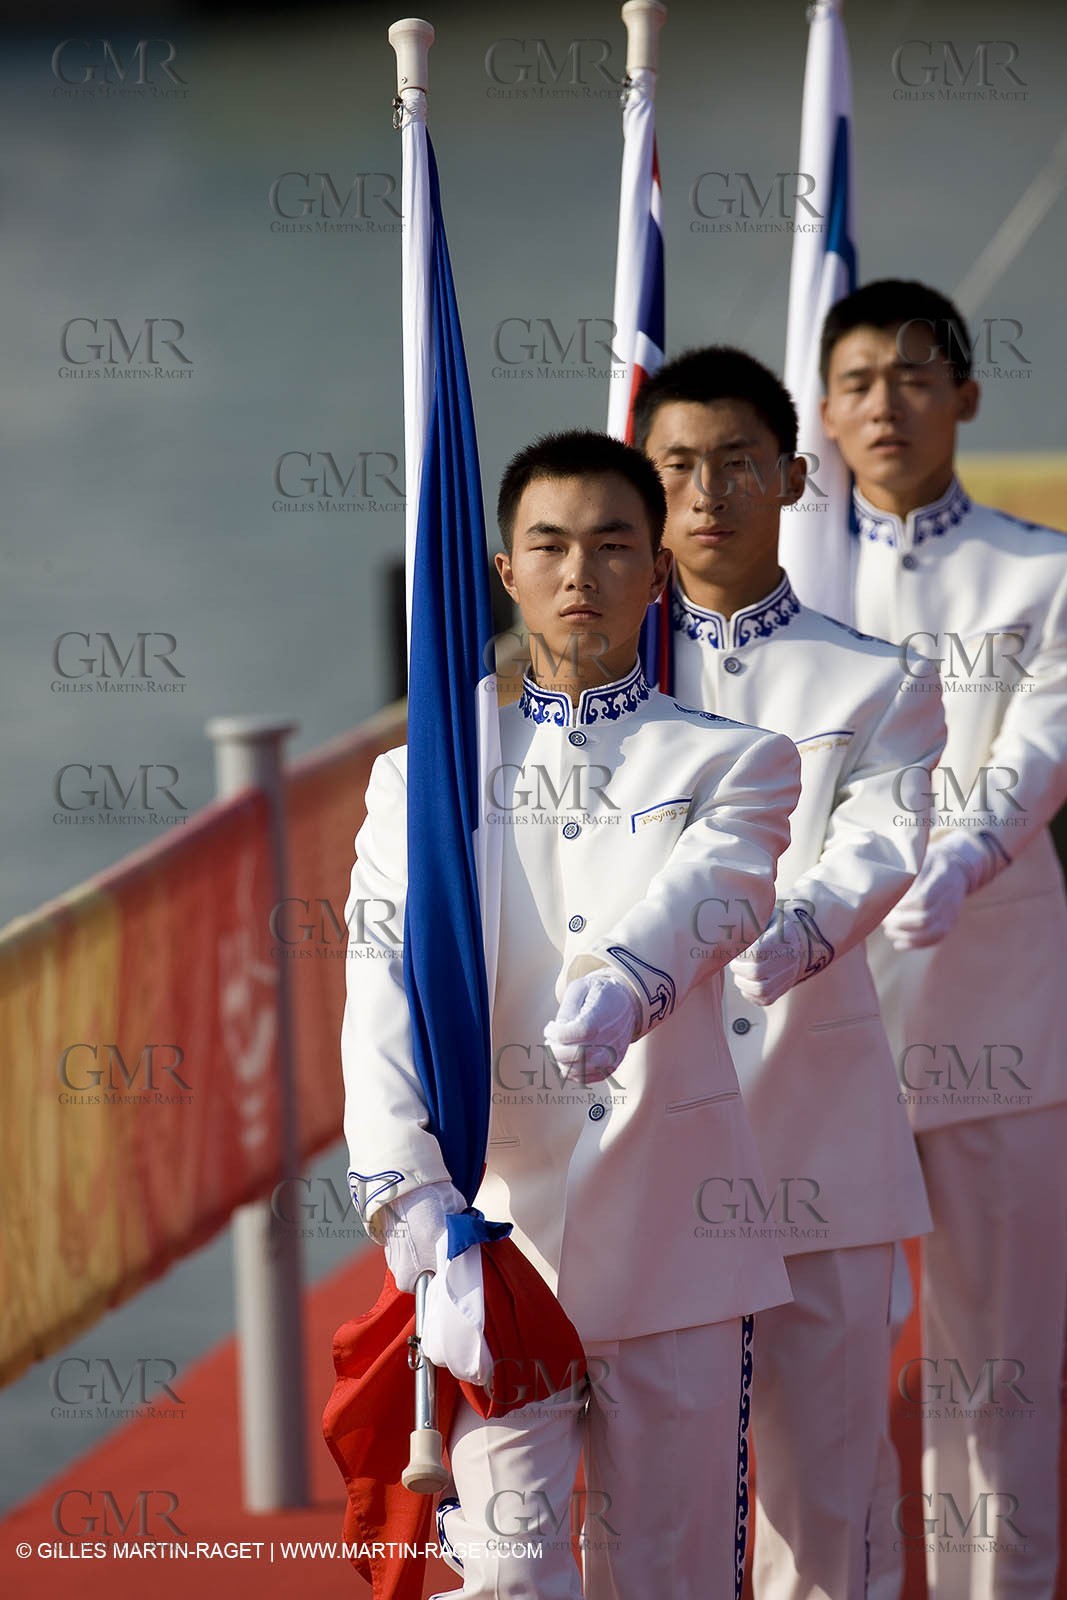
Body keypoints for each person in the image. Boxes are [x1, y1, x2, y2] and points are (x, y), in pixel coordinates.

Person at [341, 429, 802, 1600]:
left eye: (611, 545)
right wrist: (405, 1200)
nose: (578, 573)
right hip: (490, 1247)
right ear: (504, 571)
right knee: (503, 1574)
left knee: (672, 1575)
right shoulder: (424, 779)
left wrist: (627, 981)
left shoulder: (735, 759)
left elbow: (721, 890)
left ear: (657, 574)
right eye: (547, 544)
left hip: (678, 1239)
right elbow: (377, 989)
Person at [633, 345, 947, 1600]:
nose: (706, 494)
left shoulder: (874, 680)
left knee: (829, 1514)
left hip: (815, 1153)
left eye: (734, 463)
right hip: (642, 1156)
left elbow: (875, 854)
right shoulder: (585, 692)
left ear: (793, 474)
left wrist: (761, 939)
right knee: (651, 1516)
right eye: (675, 468)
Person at [820, 278, 1067, 1600]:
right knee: (826, 1365)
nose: (884, 405)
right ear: (821, 405)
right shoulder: (775, 581)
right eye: (856, 381)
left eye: (913, 377)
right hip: (822, 1023)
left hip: (992, 1009)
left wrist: (964, 852)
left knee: (999, 1363)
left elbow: (1037, 748)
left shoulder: (1040, 571)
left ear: (962, 397)